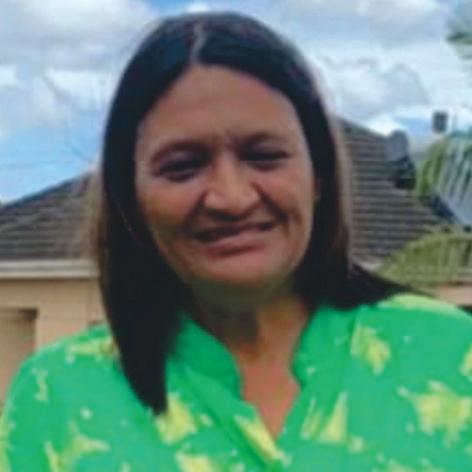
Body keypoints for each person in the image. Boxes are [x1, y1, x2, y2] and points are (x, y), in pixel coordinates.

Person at [1, 12, 471, 472]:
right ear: (132, 199)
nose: (231, 197)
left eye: (264, 156)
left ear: (319, 175)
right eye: (183, 167)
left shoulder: (450, 356)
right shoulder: (59, 400)